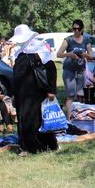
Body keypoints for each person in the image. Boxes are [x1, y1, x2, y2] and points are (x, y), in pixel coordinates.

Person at [11, 24, 59, 153]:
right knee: (24, 119)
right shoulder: (19, 53)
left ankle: (43, 145)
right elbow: (16, 76)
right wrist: (14, 94)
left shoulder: (41, 50)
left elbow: (51, 70)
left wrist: (51, 90)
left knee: (38, 118)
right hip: (22, 94)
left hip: (37, 91)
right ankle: (26, 146)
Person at [57, 19, 94, 120]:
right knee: (71, 95)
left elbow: (91, 56)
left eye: (78, 29)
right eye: (74, 29)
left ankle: (80, 117)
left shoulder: (86, 40)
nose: (76, 31)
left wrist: (83, 54)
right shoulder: (68, 40)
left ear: (82, 29)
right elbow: (59, 54)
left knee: (81, 95)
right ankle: (69, 118)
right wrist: (70, 54)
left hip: (81, 70)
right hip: (69, 70)